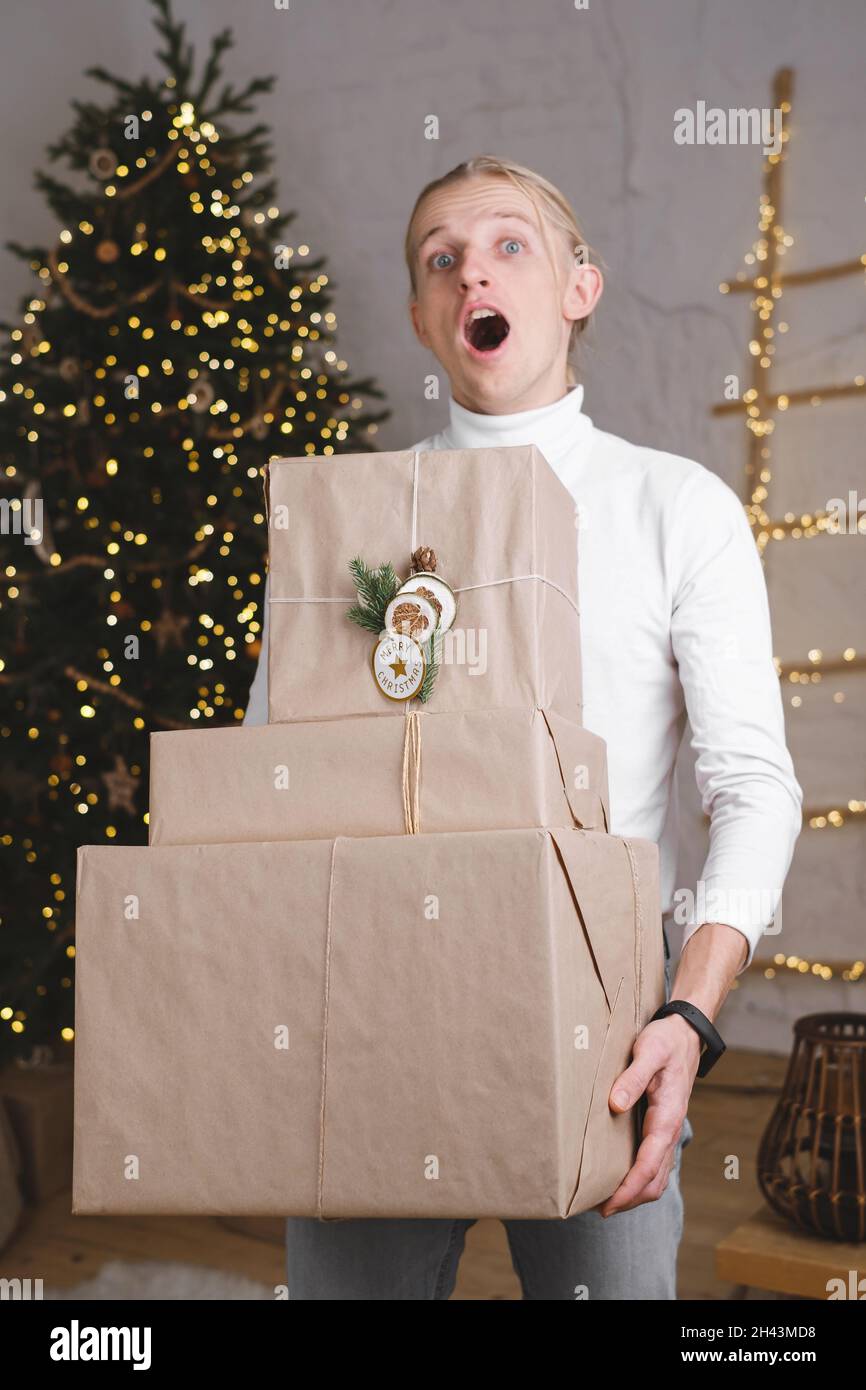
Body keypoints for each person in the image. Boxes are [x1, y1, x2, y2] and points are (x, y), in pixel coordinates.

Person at [242, 154, 802, 1299]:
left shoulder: (674, 506)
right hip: (373, 996)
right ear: (419, 317)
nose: (469, 276)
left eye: (507, 246)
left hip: (604, 1013)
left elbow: (751, 787)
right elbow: (271, 777)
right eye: (439, 260)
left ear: (577, 287)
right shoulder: (347, 524)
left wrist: (686, 1017)